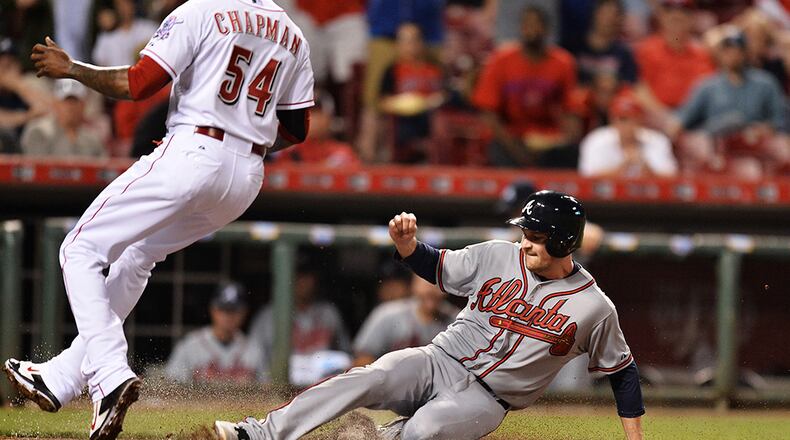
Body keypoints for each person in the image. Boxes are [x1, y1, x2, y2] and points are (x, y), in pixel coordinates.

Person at [3, 1, 314, 439]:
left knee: (78, 248)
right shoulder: (292, 33)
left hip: (194, 149)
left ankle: (110, 376)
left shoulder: (202, 10)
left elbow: (138, 83)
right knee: (136, 256)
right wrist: (244, 136)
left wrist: (73, 68)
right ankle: (63, 377)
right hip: (247, 176)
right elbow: (297, 128)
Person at [215, 191, 644, 440]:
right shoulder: (498, 254)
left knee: (423, 432)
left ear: (565, 240)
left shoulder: (593, 307)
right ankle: (259, 434)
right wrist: (407, 247)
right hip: (437, 359)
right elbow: (436, 266)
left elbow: (622, 374)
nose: (525, 241)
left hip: (486, 399)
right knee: (369, 377)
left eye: (535, 236)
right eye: (524, 232)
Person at [668, 28, 788, 177]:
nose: (733, 55)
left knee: (780, 148)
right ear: (720, 54)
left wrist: (765, 128)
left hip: (752, 141)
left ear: (745, 53)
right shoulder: (707, 85)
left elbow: (780, 119)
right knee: (699, 144)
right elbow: (682, 119)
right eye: (728, 51)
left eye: (738, 51)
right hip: (715, 140)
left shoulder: (765, 83)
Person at [472, 6, 578, 168]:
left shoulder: (563, 62)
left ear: (547, 29)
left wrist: (567, 139)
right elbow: (488, 113)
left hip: (547, 137)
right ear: (520, 28)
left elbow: (571, 110)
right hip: (509, 136)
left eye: (536, 25)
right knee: (496, 149)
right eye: (527, 25)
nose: (532, 30)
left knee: (570, 153)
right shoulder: (501, 60)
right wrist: (516, 148)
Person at [249, 263, 351, 386]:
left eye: (307, 276)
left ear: (315, 279)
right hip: (282, 386)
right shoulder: (268, 315)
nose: (302, 282)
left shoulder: (329, 313)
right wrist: (266, 385)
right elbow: (255, 358)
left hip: (320, 385)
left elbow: (345, 354)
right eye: (297, 276)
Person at [634, 0, 715, 127]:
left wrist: (682, 119)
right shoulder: (646, 50)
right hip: (655, 118)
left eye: (684, 12)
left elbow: (708, 94)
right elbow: (639, 90)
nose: (677, 15)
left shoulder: (702, 54)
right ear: (661, 17)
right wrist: (666, 118)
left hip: (692, 121)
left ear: (692, 18)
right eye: (670, 11)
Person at [352, 274, 458, 367]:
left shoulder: (456, 319)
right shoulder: (388, 314)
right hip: (391, 383)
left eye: (437, 285)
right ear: (414, 285)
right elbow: (362, 359)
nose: (431, 289)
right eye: (426, 283)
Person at [165, 282, 260, 384]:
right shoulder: (190, 345)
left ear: (244, 312)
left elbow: (266, 391)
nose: (228, 316)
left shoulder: (254, 349)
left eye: (234, 310)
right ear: (213, 310)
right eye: (223, 309)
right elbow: (172, 386)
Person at [379, 22, 444, 163]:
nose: (409, 45)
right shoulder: (392, 70)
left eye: (413, 40)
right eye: (404, 41)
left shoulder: (435, 68)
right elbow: (383, 101)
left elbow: (444, 94)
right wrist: (410, 103)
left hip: (434, 114)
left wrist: (433, 101)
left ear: (421, 42)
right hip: (406, 119)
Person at [579, 92, 678, 178]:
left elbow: (672, 177)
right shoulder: (597, 140)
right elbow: (586, 176)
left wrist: (650, 173)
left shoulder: (657, 140)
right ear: (612, 120)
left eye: (633, 119)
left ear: (640, 120)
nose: (628, 125)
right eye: (622, 119)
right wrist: (620, 169)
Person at [20, 79, 107, 158]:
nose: (70, 107)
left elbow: (102, 170)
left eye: (74, 101)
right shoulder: (39, 132)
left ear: (83, 105)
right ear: (55, 103)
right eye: (65, 101)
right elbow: (36, 168)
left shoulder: (92, 139)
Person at [0, 38, 48, 153]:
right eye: (2, 65)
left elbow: (47, 110)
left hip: (25, 151)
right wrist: (28, 116)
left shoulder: (26, 86)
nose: (6, 71)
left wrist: (17, 86)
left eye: (10, 64)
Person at [91, 0, 158, 67]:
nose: (124, 9)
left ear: (134, 5)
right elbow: (100, 66)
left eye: (127, 3)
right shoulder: (106, 37)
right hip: (115, 76)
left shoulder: (150, 29)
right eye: (120, 5)